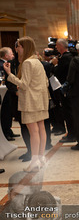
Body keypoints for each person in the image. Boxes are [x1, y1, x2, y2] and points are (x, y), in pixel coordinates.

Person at [3, 36, 49, 172]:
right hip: (40, 100)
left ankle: (35, 161)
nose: (17, 49)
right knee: (41, 129)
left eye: (19, 46)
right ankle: (41, 158)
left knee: (34, 131)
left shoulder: (28, 62)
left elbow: (24, 85)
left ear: (25, 47)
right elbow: (45, 82)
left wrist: (9, 74)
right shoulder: (37, 61)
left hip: (31, 101)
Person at [51, 38, 75, 142]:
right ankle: (72, 133)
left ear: (61, 46)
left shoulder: (65, 58)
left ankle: (72, 135)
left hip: (65, 89)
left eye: (57, 45)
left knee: (68, 113)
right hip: (70, 88)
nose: (56, 47)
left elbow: (58, 73)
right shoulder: (70, 56)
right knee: (69, 112)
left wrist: (55, 64)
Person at [0, 47, 20, 141]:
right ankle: (6, 132)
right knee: (5, 113)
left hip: (8, 92)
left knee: (9, 113)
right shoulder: (2, 65)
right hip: (5, 92)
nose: (13, 55)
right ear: (6, 55)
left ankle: (9, 130)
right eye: (11, 53)